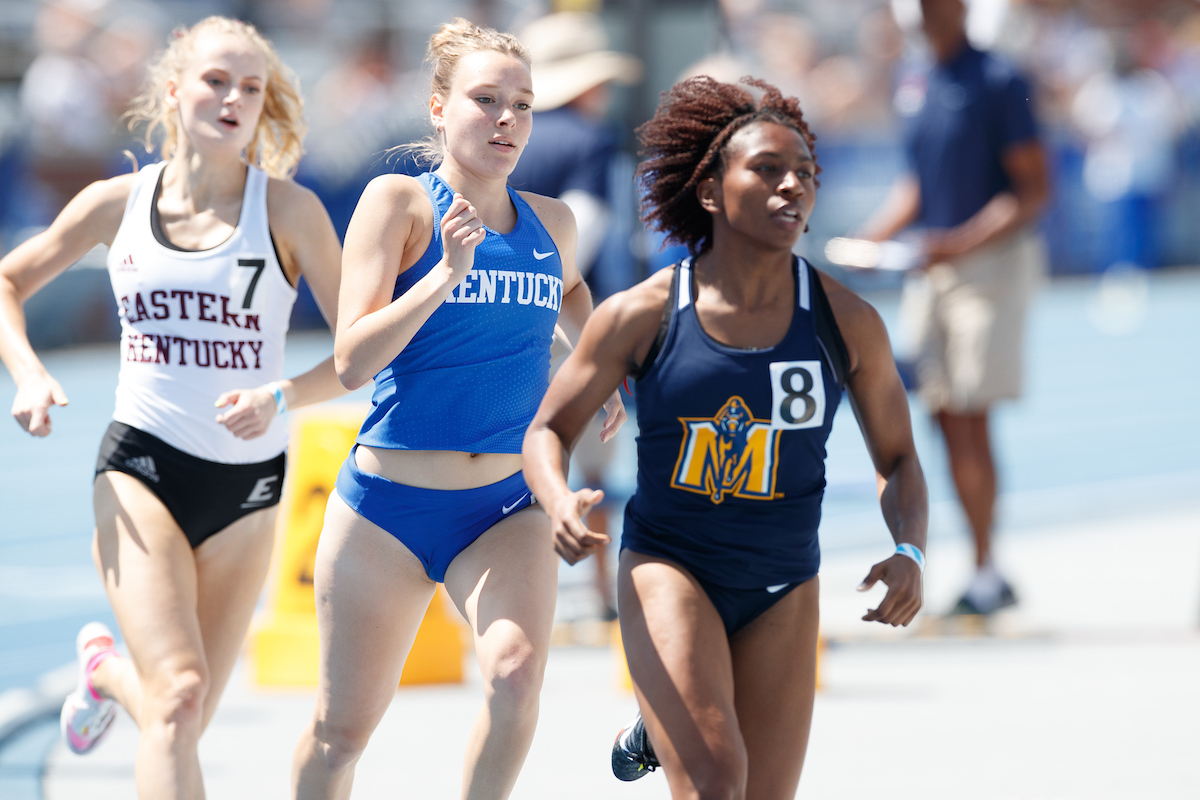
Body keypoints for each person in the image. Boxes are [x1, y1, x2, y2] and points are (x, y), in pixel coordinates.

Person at [522, 75, 928, 798]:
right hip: (670, 566)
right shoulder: (642, 314)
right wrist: (557, 500)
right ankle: (670, 706)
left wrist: (910, 550)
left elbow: (897, 457)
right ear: (710, 191)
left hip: (784, 581)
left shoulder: (847, 322)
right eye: (767, 169)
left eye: (804, 172)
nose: (791, 186)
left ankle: (663, 717)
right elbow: (549, 429)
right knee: (716, 777)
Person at [0, 16, 345, 798]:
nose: (233, 99)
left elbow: (362, 352)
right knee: (180, 698)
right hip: (142, 467)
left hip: (248, 492)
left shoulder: (289, 213)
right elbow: (8, 282)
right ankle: (117, 677)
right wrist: (27, 372)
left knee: (180, 716)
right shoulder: (115, 203)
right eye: (216, 81)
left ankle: (103, 673)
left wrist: (283, 395)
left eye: (250, 88)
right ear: (173, 91)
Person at [289, 19, 623, 800]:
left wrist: (598, 365)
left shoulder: (552, 222)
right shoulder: (399, 202)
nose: (507, 119)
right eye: (486, 100)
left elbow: (573, 289)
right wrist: (444, 272)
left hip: (505, 506)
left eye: (523, 104)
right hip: (386, 512)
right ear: (439, 108)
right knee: (341, 734)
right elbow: (352, 360)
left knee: (515, 678)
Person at [859, 0, 1048, 615]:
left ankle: (986, 571)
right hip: (933, 266)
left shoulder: (998, 78)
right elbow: (918, 183)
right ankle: (975, 569)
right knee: (940, 416)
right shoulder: (916, 79)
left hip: (986, 268)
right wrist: (871, 239)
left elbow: (1032, 189)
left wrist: (956, 244)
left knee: (969, 414)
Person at [507, 10, 642, 621]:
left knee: (514, 460)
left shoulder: (507, 134)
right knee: (589, 465)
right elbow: (584, 229)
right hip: (568, 317)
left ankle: (515, 592)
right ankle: (601, 591)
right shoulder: (592, 141)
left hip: (497, 311)